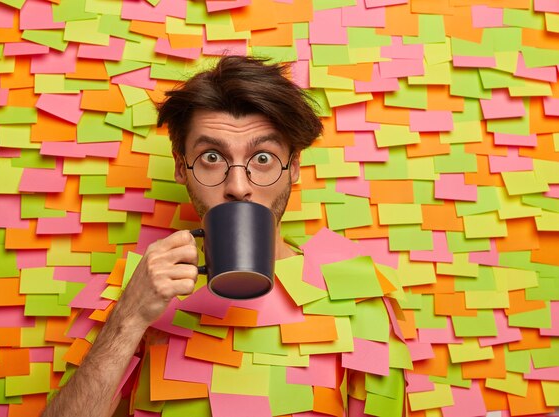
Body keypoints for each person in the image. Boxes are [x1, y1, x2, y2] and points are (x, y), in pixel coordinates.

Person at [41, 55, 406, 417]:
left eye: (262, 158)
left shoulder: (360, 300)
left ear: (293, 166)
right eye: (212, 157)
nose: (238, 186)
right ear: (181, 167)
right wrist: (130, 318)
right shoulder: (138, 288)